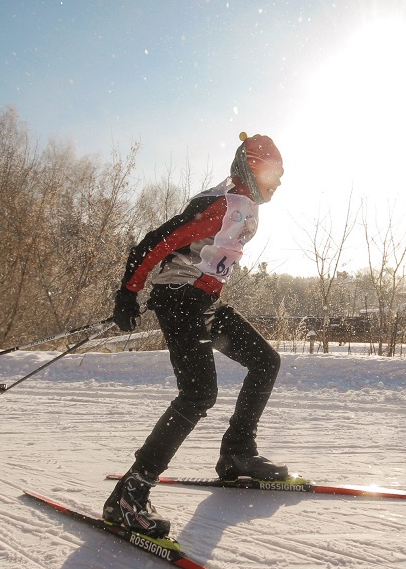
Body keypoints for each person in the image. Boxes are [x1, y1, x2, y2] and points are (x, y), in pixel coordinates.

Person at [103, 132, 288, 539]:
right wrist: (128, 293)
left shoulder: (244, 205)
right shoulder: (219, 203)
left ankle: (238, 453)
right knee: (199, 394)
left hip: (204, 303)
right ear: (250, 168)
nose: (277, 181)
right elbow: (153, 242)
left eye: (280, 174)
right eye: (271, 172)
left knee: (265, 361)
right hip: (178, 299)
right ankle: (129, 495)